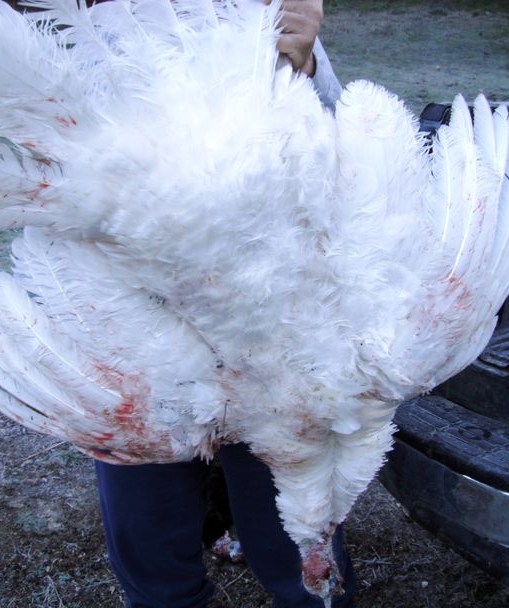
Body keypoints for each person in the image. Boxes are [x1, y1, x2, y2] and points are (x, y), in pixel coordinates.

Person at [96, 1, 353, 606]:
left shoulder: (262, 17)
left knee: (300, 554)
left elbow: (345, 147)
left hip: (272, 338)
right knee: (153, 552)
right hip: (142, 337)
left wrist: (305, 66)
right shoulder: (103, 28)